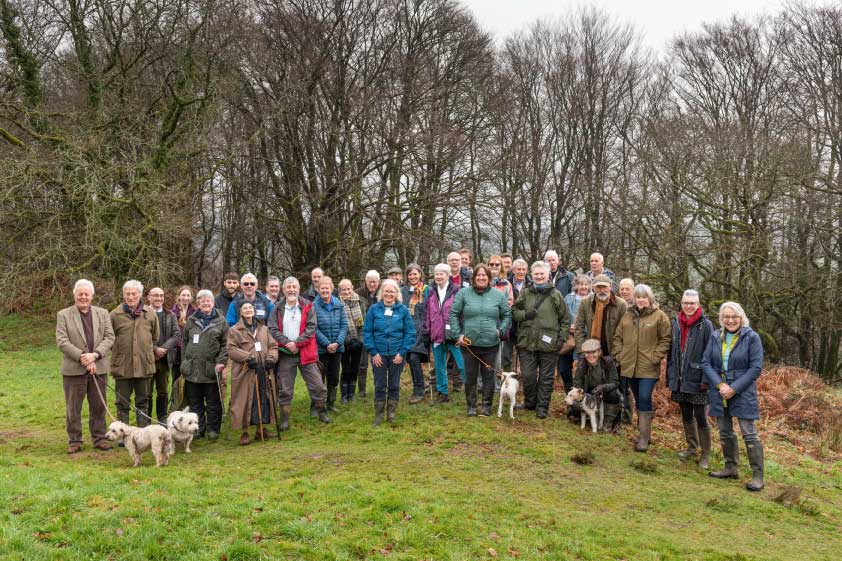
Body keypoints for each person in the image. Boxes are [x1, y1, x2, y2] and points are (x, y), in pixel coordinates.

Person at [703, 302, 766, 491]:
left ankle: (757, 476)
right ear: (721, 319)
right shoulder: (715, 336)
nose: (730, 320)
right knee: (724, 431)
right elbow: (706, 363)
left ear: (741, 317)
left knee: (749, 432)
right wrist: (720, 385)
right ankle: (730, 467)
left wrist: (734, 388)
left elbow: (755, 368)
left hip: (743, 391)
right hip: (719, 391)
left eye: (734, 316)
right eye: (726, 317)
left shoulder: (752, 337)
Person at [55, 279, 115, 453]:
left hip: (99, 367)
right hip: (73, 370)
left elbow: (109, 338)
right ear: (74, 295)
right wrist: (83, 357)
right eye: (80, 293)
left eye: (86, 294)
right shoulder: (63, 315)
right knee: (73, 408)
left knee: (98, 406)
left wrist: (95, 355)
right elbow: (62, 341)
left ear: (92, 296)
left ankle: (99, 438)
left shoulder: (102, 313)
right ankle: (75, 440)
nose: (83, 297)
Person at [613, 284, 671, 452]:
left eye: (644, 297)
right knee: (638, 400)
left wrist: (655, 357)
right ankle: (644, 433)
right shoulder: (627, 315)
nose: (641, 300)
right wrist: (620, 356)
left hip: (648, 366)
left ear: (650, 298)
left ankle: (644, 439)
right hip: (629, 365)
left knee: (645, 397)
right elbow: (618, 337)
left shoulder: (660, 316)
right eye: (638, 297)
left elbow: (665, 340)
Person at [267, 277, 331, 428]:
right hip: (286, 354)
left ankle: (322, 412)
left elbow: (311, 328)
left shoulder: (308, 305)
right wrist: (287, 343)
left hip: (306, 353)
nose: (291, 290)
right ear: (284, 290)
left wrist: (297, 343)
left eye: (294, 287)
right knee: (285, 388)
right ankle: (285, 419)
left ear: (298, 288)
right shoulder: (277, 307)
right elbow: (272, 328)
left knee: (317, 385)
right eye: (288, 287)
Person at [450, 264, 512, 417]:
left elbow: (507, 315)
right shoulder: (463, 293)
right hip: (469, 344)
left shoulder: (498, 295)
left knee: (488, 375)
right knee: (470, 376)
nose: (481, 278)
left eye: (484, 275)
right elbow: (453, 314)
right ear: (473, 278)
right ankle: (471, 406)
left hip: (490, 343)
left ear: (489, 278)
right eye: (478, 275)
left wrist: (500, 331)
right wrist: (458, 334)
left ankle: (486, 406)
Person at [511, 261, 569, 419]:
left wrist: (562, 339)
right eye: (536, 273)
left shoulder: (555, 294)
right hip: (527, 342)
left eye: (542, 273)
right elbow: (514, 311)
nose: (539, 276)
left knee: (546, 378)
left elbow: (565, 319)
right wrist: (524, 315)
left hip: (549, 343)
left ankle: (542, 407)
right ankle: (530, 403)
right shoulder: (525, 292)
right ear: (532, 275)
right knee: (528, 376)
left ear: (548, 275)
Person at [667, 290, 714, 468]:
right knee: (686, 414)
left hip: (698, 379)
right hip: (679, 378)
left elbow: (711, 354)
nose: (689, 306)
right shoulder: (676, 323)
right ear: (681, 303)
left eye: (692, 303)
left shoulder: (706, 325)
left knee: (701, 416)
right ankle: (692, 447)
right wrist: (671, 376)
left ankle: (706, 454)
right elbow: (671, 353)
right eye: (686, 302)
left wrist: (705, 379)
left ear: (698, 304)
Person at [573, 274, 628, 426]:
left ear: (610, 287)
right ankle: (586, 414)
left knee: (615, 387)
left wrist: (616, 356)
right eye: (598, 286)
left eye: (604, 286)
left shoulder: (621, 304)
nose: (602, 289)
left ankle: (615, 420)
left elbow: (625, 332)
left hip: (611, 353)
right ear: (593, 288)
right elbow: (578, 327)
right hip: (590, 352)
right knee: (587, 384)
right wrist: (581, 350)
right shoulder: (586, 303)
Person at [363, 279, 416, 425]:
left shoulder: (403, 311)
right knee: (380, 385)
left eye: (392, 291)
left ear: (396, 293)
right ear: (381, 293)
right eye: (386, 291)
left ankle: (391, 413)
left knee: (394, 384)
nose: (388, 294)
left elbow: (410, 333)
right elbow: (367, 332)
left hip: (396, 354)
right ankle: (379, 415)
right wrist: (373, 352)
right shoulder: (374, 310)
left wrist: (402, 352)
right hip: (378, 355)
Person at [227, 302, 279, 445]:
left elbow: (273, 345)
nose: (248, 310)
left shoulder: (263, 329)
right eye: (245, 308)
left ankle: (260, 429)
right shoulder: (235, 330)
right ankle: (244, 432)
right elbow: (231, 349)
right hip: (245, 371)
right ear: (241, 312)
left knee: (262, 397)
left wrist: (271, 358)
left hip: (263, 369)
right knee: (244, 401)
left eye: (251, 308)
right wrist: (248, 357)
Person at [110, 280, 159, 428]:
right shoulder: (114, 315)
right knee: (122, 401)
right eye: (127, 294)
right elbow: (108, 338)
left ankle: (142, 432)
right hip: (122, 366)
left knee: (143, 400)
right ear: (123, 295)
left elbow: (155, 336)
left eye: (134, 293)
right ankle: (122, 433)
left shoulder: (150, 313)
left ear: (140, 295)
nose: (130, 297)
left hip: (144, 365)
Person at [181, 289, 229, 439]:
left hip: (211, 369)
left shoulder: (221, 321)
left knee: (213, 402)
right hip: (192, 370)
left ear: (213, 303)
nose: (206, 303)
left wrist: (221, 362)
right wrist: (185, 362)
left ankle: (213, 429)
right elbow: (184, 342)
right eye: (202, 301)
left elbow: (225, 344)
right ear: (198, 304)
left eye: (208, 301)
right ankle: (198, 429)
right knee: (195, 402)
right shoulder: (191, 320)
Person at [424, 263, 465, 403]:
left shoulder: (457, 291)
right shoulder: (430, 292)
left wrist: (461, 332)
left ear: (448, 275)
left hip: (454, 334)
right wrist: (427, 332)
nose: (438, 276)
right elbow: (428, 314)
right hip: (436, 334)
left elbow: (462, 313)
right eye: (436, 274)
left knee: (462, 364)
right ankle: (442, 393)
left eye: (442, 274)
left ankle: (471, 391)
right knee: (439, 365)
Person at [571, 339, 623, 430]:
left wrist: (603, 387)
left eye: (593, 352)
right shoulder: (581, 363)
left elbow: (615, 382)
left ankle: (608, 421)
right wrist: (582, 394)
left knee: (614, 394)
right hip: (588, 392)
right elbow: (577, 383)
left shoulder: (608, 362)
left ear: (599, 352)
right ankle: (586, 416)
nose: (590, 355)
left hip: (605, 392)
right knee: (574, 404)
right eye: (587, 353)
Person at [313, 276, 348, 413]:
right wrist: (327, 344)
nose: (325, 290)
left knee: (334, 376)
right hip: (321, 349)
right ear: (318, 289)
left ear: (331, 288)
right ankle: (317, 406)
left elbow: (344, 325)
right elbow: (313, 328)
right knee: (319, 378)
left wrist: (337, 343)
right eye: (322, 288)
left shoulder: (339, 304)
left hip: (337, 349)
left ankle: (331, 404)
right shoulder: (313, 306)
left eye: (327, 287)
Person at [146, 287, 181, 423]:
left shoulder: (170, 315)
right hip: (148, 359)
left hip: (165, 360)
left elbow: (176, 334)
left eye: (161, 296)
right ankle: (146, 419)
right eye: (155, 295)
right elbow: (142, 336)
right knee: (147, 392)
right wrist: (154, 349)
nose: (159, 298)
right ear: (149, 297)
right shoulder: (143, 314)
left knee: (163, 391)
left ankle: (162, 418)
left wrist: (163, 349)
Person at [400, 264, 430, 403]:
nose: (412, 277)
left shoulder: (427, 290)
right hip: (406, 331)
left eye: (415, 274)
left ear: (420, 274)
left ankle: (419, 390)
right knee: (410, 359)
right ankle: (419, 385)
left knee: (414, 358)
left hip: (422, 331)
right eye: (410, 274)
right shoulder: (402, 291)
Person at [560, 275, 591, 389]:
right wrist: (568, 327)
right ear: (576, 286)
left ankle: (581, 393)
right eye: (580, 284)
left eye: (585, 284)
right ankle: (569, 392)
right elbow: (562, 315)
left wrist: (581, 328)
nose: (583, 287)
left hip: (585, 338)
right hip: (569, 338)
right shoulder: (568, 298)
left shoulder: (593, 298)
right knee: (564, 370)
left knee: (580, 369)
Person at [339, 278, 366, 403]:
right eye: (343, 289)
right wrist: (347, 340)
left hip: (358, 342)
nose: (346, 291)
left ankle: (352, 394)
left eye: (348, 288)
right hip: (343, 342)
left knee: (355, 368)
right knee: (345, 368)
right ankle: (344, 395)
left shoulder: (360, 302)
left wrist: (359, 340)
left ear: (352, 288)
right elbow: (338, 325)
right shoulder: (337, 304)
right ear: (340, 291)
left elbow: (363, 324)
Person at [355, 270, 381, 397]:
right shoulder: (358, 293)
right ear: (365, 281)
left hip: (379, 332)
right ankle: (362, 390)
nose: (372, 284)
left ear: (378, 282)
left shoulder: (383, 292)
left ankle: (378, 387)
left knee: (378, 362)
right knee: (362, 363)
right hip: (364, 332)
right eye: (370, 282)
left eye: (374, 282)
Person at [502, 258, 531, 371]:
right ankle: (506, 378)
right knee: (506, 355)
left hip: (524, 324)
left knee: (524, 355)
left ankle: (525, 380)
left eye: (524, 269)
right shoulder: (506, 283)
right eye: (519, 269)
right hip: (509, 324)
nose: (521, 272)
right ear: (513, 270)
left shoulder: (531, 284)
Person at [170, 285, 196, 381]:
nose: (186, 298)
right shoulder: (171, 313)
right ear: (179, 296)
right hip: (176, 352)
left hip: (191, 351)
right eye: (183, 295)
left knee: (189, 380)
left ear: (191, 298)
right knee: (176, 379)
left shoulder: (195, 313)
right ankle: (174, 396)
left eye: (188, 295)